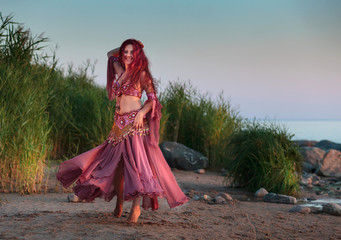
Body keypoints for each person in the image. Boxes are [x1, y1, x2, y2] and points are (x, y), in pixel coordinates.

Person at [56, 39, 189, 223]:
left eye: (131, 53)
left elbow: (152, 100)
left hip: (134, 124)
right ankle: (119, 201)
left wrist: (141, 114)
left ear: (138, 56)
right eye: (125, 52)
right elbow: (110, 54)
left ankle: (135, 208)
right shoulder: (119, 69)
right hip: (117, 126)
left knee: (135, 167)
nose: (126, 55)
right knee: (116, 168)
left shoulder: (142, 75)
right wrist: (130, 45)